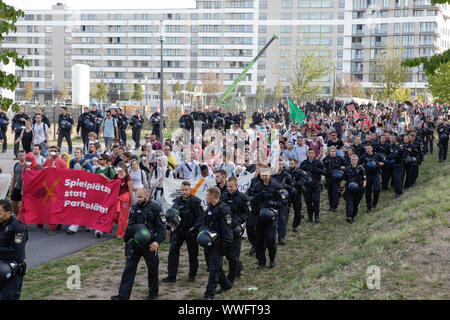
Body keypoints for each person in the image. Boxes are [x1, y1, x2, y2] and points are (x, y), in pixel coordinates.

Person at [111, 188, 166, 300]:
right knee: (128, 269)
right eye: (137, 197)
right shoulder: (134, 208)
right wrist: (126, 241)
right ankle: (123, 295)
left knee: (152, 270)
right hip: (135, 243)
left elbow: (162, 228)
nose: (138, 199)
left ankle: (152, 294)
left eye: (141, 197)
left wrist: (157, 242)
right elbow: (130, 226)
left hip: (150, 244)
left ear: (147, 196)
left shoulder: (155, 209)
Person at [163, 181, 203, 283]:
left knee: (193, 254)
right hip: (179, 230)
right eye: (182, 190)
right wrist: (168, 228)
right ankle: (171, 277)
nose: (184, 192)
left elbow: (200, 218)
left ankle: (192, 275)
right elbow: (171, 216)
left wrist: (194, 227)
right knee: (173, 252)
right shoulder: (176, 201)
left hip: (191, 231)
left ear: (190, 190)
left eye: (186, 190)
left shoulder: (196, 202)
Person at [201, 187, 233, 300]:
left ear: (213, 197)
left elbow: (227, 230)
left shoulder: (224, 210)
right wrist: (203, 232)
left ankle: (209, 295)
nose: (206, 197)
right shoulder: (209, 208)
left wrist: (225, 246)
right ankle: (226, 285)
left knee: (214, 271)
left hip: (219, 244)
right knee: (214, 267)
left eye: (207, 195)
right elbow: (204, 223)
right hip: (209, 243)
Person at [251, 166, 283, 269]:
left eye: (266, 175)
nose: (264, 177)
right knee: (259, 240)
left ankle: (272, 258)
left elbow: (282, 202)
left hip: (271, 217)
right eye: (262, 175)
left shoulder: (276, 186)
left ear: (270, 175)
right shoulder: (256, 186)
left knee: (270, 239)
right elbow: (250, 197)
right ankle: (261, 261)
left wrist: (273, 203)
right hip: (259, 217)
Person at [221, 177, 250, 284]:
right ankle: (238, 268)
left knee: (233, 255)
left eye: (231, 187)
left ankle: (231, 278)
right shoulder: (223, 197)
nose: (229, 189)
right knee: (228, 255)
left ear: (236, 186)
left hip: (236, 229)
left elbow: (247, 213)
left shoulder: (243, 198)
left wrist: (238, 221)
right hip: (225, 229)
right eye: (228, 186)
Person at [0, 199, 28, 300]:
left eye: (0, 213)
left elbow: (16, 252)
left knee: (8, 297)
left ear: (8, 213)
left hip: (12, 271)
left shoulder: (18, 228)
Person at [67, 147, 94, 235]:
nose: (76, 154)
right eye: (75, 152)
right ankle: (75, 223)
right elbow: (69, 173)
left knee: (85, 205)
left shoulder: (86, 162)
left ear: (81, 154)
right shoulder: (72, 162)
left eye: (78, 152)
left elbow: (93, 173)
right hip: (75, 187)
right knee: (76, 205)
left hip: (85, 186)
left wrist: (84, 172)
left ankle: (88, 223)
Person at [300, 148, 326, 223]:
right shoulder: (304, 163)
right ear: (307, 154)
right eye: (309, 153)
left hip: (316, 185)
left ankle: (316, 216)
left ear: (314, 154)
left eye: (312, 153)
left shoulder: (318, 162)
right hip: (307, 186)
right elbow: (300, 173)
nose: (311, 154)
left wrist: (317, 170)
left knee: (316, 201)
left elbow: (324, 172)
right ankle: (310, 216)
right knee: (308, 202)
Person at [341, 155, 366, 224]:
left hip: (359, 189)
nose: (353, 161)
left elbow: (364, 180)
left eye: (355, 160)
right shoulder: (347, 169)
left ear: (357, 160)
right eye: (352, 160)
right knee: (349, 203)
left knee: (356, 204)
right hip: (349, 189)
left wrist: (363, 187)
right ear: (350, 160)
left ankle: (353, 217)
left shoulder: (361, 169)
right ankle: (348, 216)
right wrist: (341, 188)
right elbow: (344, 180)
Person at [359, 143, 384, 213]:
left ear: (372, 148)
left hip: (375, 174)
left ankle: (375, 203)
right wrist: (364, 165)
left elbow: (383, 162)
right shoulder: (363, 156)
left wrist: (377, 163)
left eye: (369, 148)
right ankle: (368, 207)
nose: (368, 150)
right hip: (367, 175)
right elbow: (359, 165)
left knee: (377, 189)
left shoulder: (377, 155)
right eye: (366, 148)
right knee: (368, 192)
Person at [113, 161, 134, 239]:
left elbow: (130, 190)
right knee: (115, 216)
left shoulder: (128, 177)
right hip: (117, 199)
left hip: (125, 199)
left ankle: (121, 233)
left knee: (123, 216)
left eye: (120, 167)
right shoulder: (115, 176)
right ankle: (125, 226)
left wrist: (132, 200)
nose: (118, 168)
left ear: (124, 168)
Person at [322, 146, 346, 212]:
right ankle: (331, 206)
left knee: (335, 192)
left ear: (336, 152)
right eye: (331, 151)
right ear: (329, 152)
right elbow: (322, 167)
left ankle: (335, 207)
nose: (332, 152)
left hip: (336, 178)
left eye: (333, 151)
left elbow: (345, 166)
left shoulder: (339, 159)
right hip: (328, 178)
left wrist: (340, 169)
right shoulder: (325, 159)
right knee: (330, 193)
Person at [9, 150, 26, 217]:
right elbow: (14, 177)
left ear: (25, 156)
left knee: (25, 205)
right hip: (17, 187)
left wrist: (23, 189)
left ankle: (25, 218)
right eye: (20, 155)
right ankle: (19, 217)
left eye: (23, 155)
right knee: (13, 203)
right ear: (18, 156)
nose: (22, 156)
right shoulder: (16, 164)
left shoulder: (27, 165)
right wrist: (11, 186)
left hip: (25, 189)